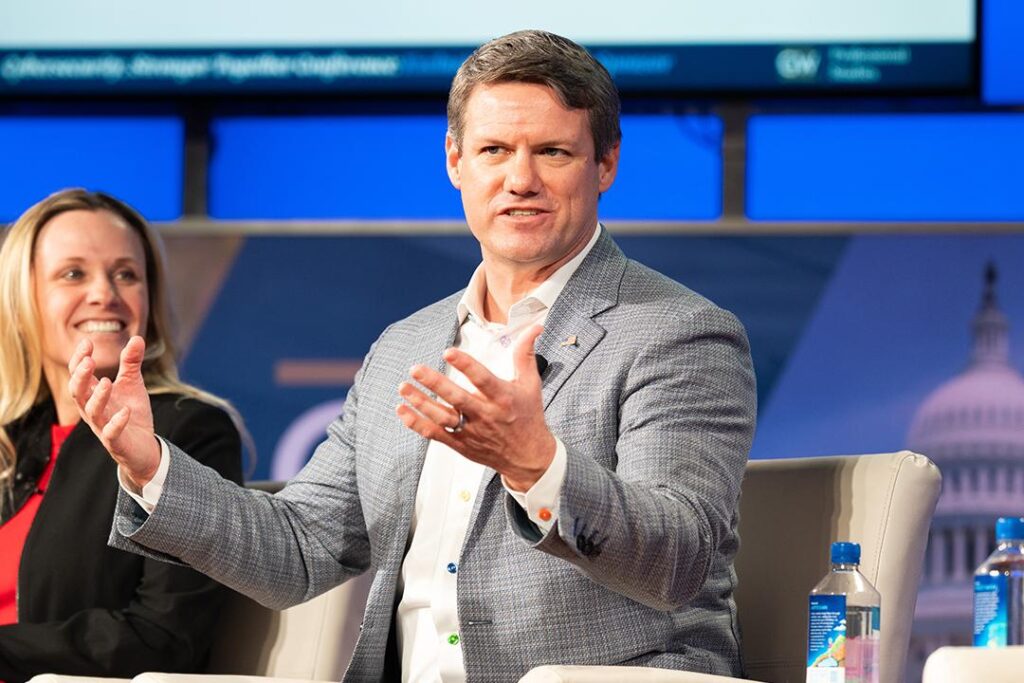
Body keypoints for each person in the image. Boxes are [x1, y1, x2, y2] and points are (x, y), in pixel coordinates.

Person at [71, 30, 756, 682]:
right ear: (455, 162)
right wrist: (151, 464)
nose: (521, 179)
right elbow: (300, 547)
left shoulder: (678, 333)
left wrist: (536, 463)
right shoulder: (407, 344)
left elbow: (679, 556)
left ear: (605, 163)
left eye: (553, 151)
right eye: (494, 151)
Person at [0, 189, 244, 683]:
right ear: (22, 298)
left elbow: (164, 636)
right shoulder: (9, 440)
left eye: (126, 274)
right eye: (73, 274)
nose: (104, 294)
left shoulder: (188, 430)